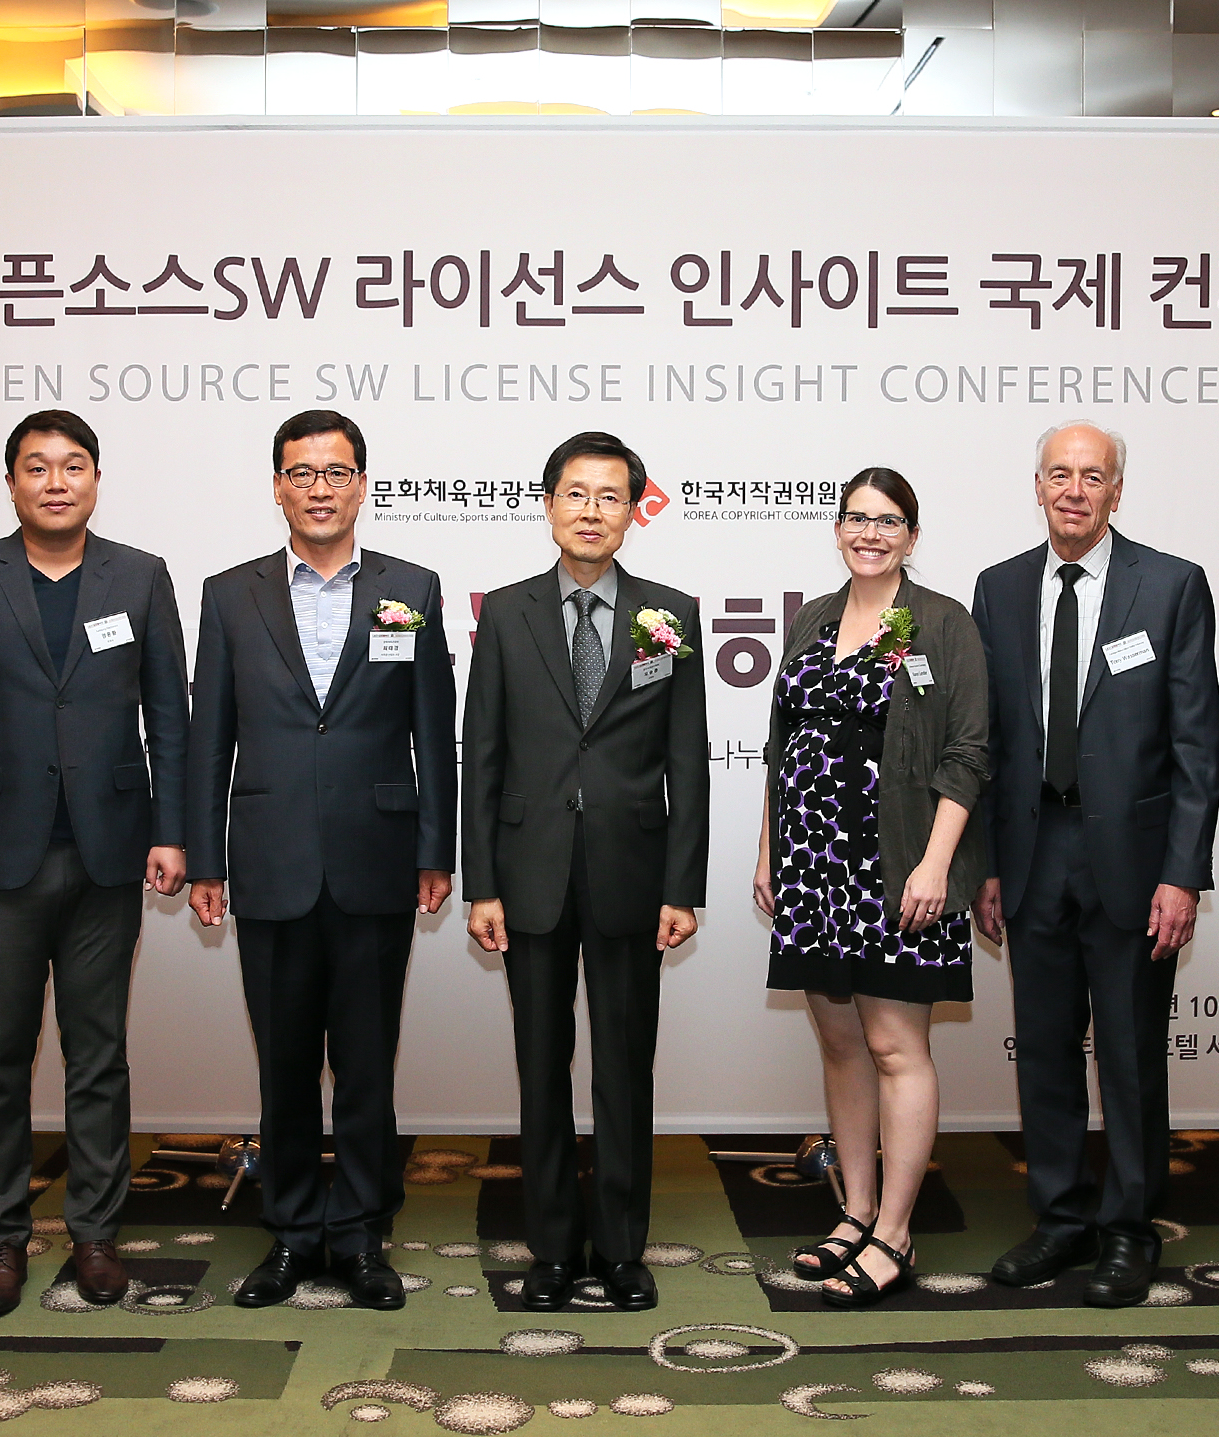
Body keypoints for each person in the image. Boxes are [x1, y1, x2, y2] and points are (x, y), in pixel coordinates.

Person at [0, 408, 190, 1318]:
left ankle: (96, 1234)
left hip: (110, 849)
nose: (56, 482)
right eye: (37, 467)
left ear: (97, 480)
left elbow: (170, 717)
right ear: (11, 483)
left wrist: (173, 830)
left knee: (98, 1053)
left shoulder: (140, 576)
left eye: (74, 466)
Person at [186, 410, 456, 1312]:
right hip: (270, 863)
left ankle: (364, 1235)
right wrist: (206, 860)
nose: (319, 489)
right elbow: (208, 736)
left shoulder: (411, 587)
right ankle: (296, 1234)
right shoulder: (230, 594)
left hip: (378, 859)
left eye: (337, 472)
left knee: (369, 1068)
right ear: (277, 487)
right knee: (286, 1068)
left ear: (362, 486)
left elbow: (433, 732)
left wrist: (436, 849)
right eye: (301, 473)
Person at [968, 423, 1219, 1308]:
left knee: (1129, 1054)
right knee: (1042, 1050)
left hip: (1134, 864)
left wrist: (1183, 873)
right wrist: (987, 865)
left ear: (1117, 490)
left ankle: (1129, 1228)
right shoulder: (999, 589)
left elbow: (1197, 744)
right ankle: (1061, 1218)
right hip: (1033, 852)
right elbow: (988, 741)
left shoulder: (1172, 585)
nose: (1074, 491)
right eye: (1059, 475)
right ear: (1036, 485)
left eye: (1093, 476)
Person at [462, 431, 709, 1313]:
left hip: (631, 876)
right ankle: (552, 1248)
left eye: (610, 496)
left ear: (633, 510)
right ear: (548, 505)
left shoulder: (668, 614)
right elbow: (482, 755)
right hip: (527, 874)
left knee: (624, 1071)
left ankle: (622, 1249)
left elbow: (688, 759)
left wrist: (683, 887)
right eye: (576, 493)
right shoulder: (507, 613)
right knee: (541, 1069)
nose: (591, 511)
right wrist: (480, 883)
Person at [753, 467, 989, 1309]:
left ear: (912, 537)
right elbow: (783, 742)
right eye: (857, 518)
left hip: (895, 869)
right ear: (838, 528)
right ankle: (853, 1213)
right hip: (813, 868)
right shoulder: (814, 619)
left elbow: (968, 751)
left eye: (889, 521)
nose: (870, 533)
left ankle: (894, 1231)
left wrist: (935, 863)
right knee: (843, 1045)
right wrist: (769, 848)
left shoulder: (942, 622)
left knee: (896, 1047)